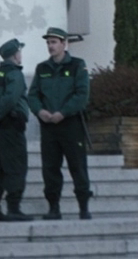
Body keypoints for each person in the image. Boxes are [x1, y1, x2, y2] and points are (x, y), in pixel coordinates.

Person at [27, 26, 92, 219]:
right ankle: (53, 208)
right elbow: (33, 95)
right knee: (50, 169)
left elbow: (82, 95)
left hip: (71, 124)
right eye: (48, 42)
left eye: (54, 42)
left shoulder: (77, 65)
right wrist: (40, 111)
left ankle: (83, 207)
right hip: (49, 126)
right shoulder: (42, 68)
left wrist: (63, 113)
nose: (50, 46)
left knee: (77, 166)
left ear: (64, 44)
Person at [0, 38, 32, 222]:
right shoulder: (15, 74)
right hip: (11, 126)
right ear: (15, 55)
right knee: (16, 167)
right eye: (20, 52)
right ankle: (13, 208)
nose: (21, 55)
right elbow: (10, 99)